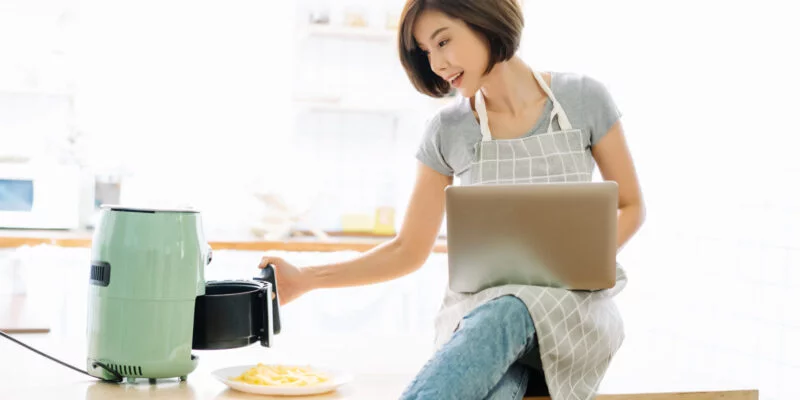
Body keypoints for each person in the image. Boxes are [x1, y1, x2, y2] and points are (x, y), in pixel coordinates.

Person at [258, 0, 645, 399]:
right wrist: (307, 279)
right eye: (426, 52)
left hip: (572, 314)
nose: (438, 64)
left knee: (513, 305)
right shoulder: (449, 130)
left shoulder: (584, 99)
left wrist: (580, 262)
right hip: (480, 325)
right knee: (497, 368)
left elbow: (631, 205)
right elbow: (408, 249)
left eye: (443, 42)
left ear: (485, 19)